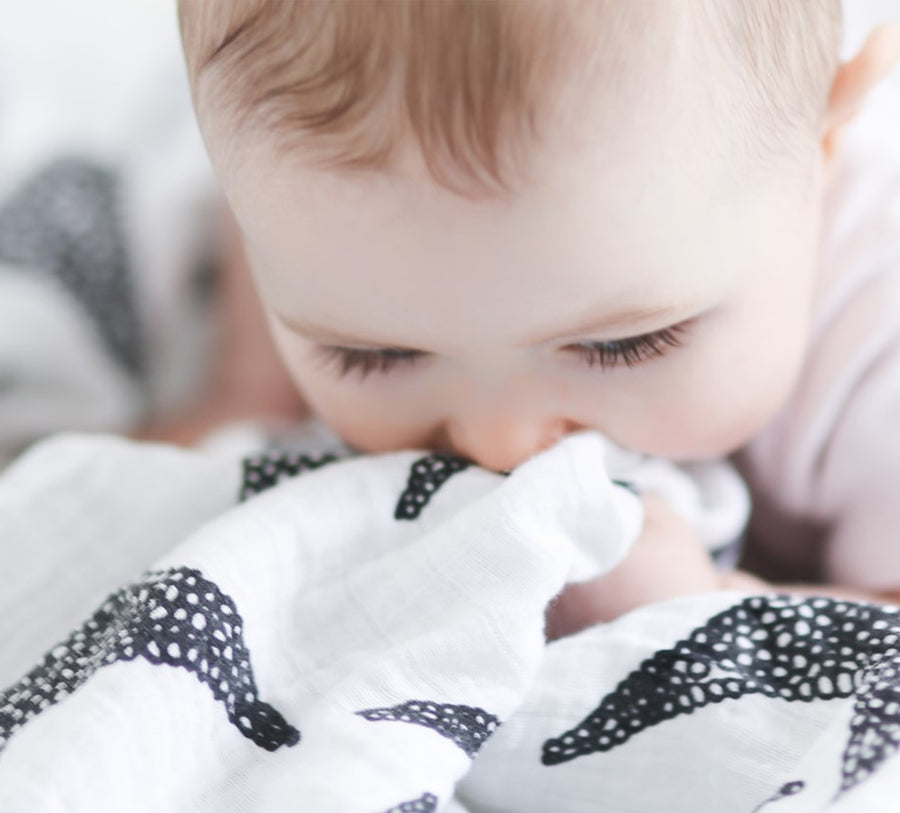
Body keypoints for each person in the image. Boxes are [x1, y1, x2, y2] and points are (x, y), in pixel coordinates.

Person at [166, 0, 900, 636]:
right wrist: (245, 390)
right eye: (373, 353)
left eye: (622, 346)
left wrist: (707, 610)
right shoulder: (333, 220)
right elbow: (274, 224)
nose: (500, 445)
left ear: (820, 150)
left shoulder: (877, 340)